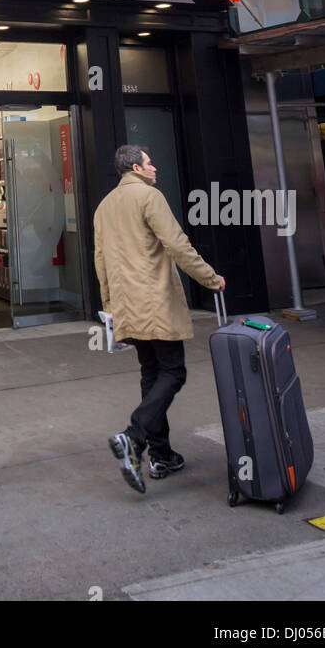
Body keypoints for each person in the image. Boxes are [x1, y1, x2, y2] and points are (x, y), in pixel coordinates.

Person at [94, 146, 225, 495]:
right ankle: (134, 437)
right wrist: (210, 278)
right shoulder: (149, 196)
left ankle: (162, 455)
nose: (155, 168)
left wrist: (110, 305)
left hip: (126, 305)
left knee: (151, 375)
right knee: (173, 372)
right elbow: (177, 245)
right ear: (137, 167)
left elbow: (100, 260)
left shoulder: (104, 206)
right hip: (154, 303)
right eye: (150, 163)